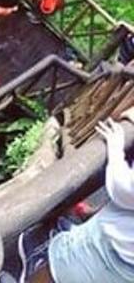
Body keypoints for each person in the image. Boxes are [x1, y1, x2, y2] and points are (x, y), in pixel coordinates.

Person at [21, 117, 134, 283]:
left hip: (106, 251)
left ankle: (36, 261)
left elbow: (124, 189)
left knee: (60, 268)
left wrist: (116, 150)